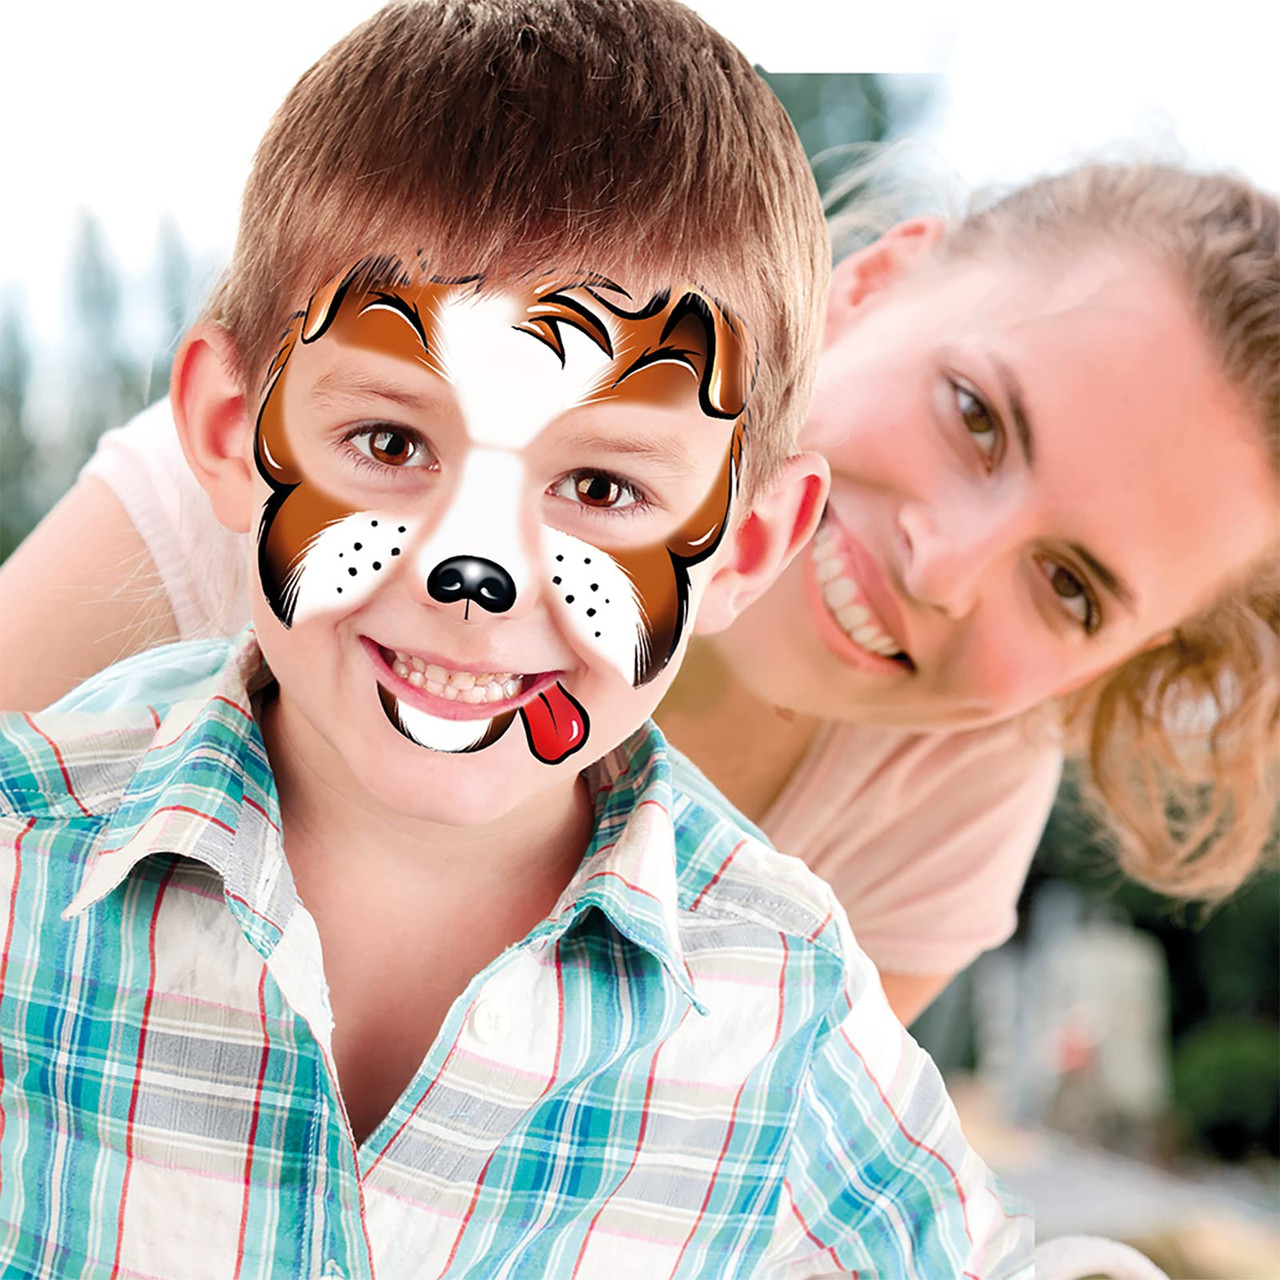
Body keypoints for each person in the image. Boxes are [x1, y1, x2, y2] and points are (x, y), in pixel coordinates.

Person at [0, 2, 1033, 1277]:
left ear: (748, 546)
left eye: (601, 489)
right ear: (226, 429)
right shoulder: (20, 860)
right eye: (390, 444)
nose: (472, 572)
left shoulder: (787, 1000)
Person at [5, 153, 1276, 1031]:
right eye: (974, 417)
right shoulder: (303, 492)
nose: (941, 568)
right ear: (873, 284)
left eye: (1067, 587)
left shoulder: (950, 788)